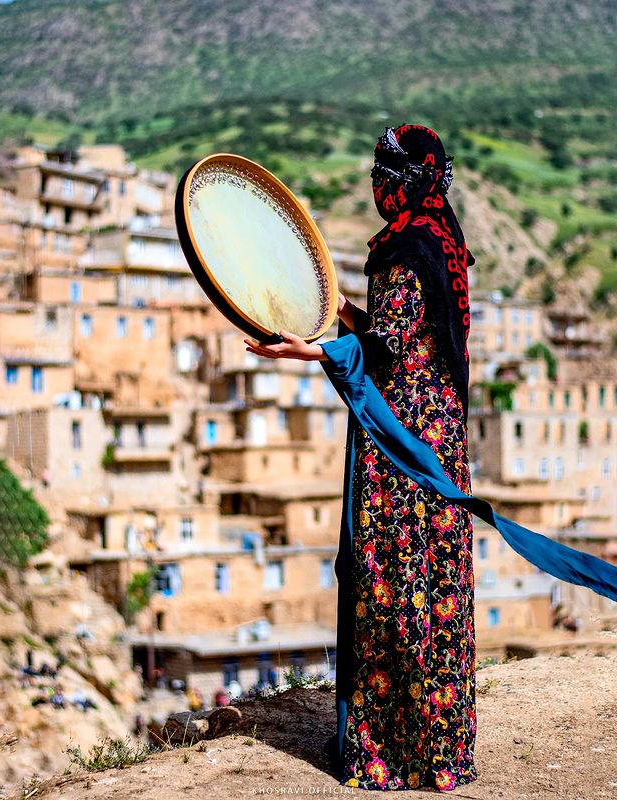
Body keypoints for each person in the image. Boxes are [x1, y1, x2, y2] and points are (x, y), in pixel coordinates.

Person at [244, 123, 617, 791]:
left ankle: (389, 753)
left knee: (394, 587)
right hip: (436, 436)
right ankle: (439, 751)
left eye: (381, 174)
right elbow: (396, 332)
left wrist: (314, 350)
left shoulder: (408, 248)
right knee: (431, 587)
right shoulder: (438, 238)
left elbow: (385, 353)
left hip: (402, 443)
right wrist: (336, 321)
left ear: (405, 179)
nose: (372, 186)